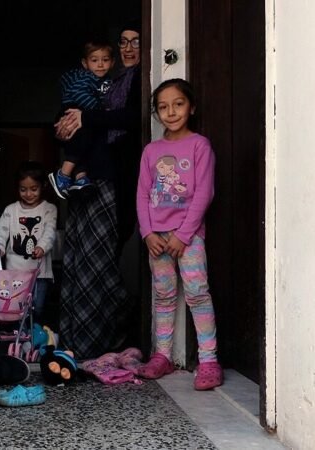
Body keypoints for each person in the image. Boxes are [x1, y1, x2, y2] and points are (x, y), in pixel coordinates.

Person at [53, 22, 142, 359]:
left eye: (136, 41)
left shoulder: (139, 80)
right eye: (124, 42)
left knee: (100, 263)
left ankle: (109, 339)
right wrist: (65, 124)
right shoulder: (103, 84)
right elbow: (71, 116)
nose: (129, 48)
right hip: (88, 182)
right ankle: (75, 342)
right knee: (79, 259)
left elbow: (132, 118)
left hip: (114, 182)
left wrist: (86, 119)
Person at [135, 78, 222, 390]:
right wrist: (147, 233)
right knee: (164, 295)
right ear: (157, 114)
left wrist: (183, 235)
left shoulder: (199, 146)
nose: (170, 111)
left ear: (192, 107)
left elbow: (203, 194)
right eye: (163, 107)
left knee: (198, 293)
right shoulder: (151, 151)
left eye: (178, 104)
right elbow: (143, 195)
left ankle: (209, 360)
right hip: (157, 239)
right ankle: (162, 356)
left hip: (189, 237)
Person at [48, 40, 114, 199]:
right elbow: (78, 93)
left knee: (86, 142)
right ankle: (63, 174)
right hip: (72, 110)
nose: (100, 64)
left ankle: (80, 177)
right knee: (82, 139)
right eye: (94, 60)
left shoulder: (107, 81)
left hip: (85, 114)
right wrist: (98, 111)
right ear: (85, 63)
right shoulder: (85, 77)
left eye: (105, 60)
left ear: (112, 63)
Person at [0, 161, 57, 323]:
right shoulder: (11, 210)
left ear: (43, 186)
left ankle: (35, 337)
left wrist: (42, 246)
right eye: (23, 189)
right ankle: (20, 337)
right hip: (15, 273)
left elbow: (49, 232)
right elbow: (0, 232)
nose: (28, 194)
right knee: (16, 309)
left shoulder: (49, 209)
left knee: (37, 308)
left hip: (40, 273)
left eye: (34, 189)